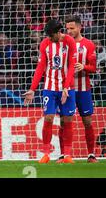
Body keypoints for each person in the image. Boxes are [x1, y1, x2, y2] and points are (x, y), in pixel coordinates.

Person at [23, 19, 77, 164]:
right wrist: (32, 89)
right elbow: (40, 67)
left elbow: (72, 66)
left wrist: (66, 87)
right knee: (48, 118)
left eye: (51, 35)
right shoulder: (45, 44)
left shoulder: (70, 42)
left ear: (59, 33)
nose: (49, 38)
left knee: (67, 121)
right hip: (50, 88)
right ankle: (46, 154)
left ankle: (67, 155)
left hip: (68, 89)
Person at [63, 16, 97, 163]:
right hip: (67, 90)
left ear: (79, 27)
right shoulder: (62, 44)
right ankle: (64, 155)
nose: (69, 31)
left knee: (87, 121)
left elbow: (94, 68)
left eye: (72, 28)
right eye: (67, 29)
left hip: (84, 90)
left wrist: (84, 67)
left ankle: (91, 154)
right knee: (64, 121)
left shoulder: (88, 45)